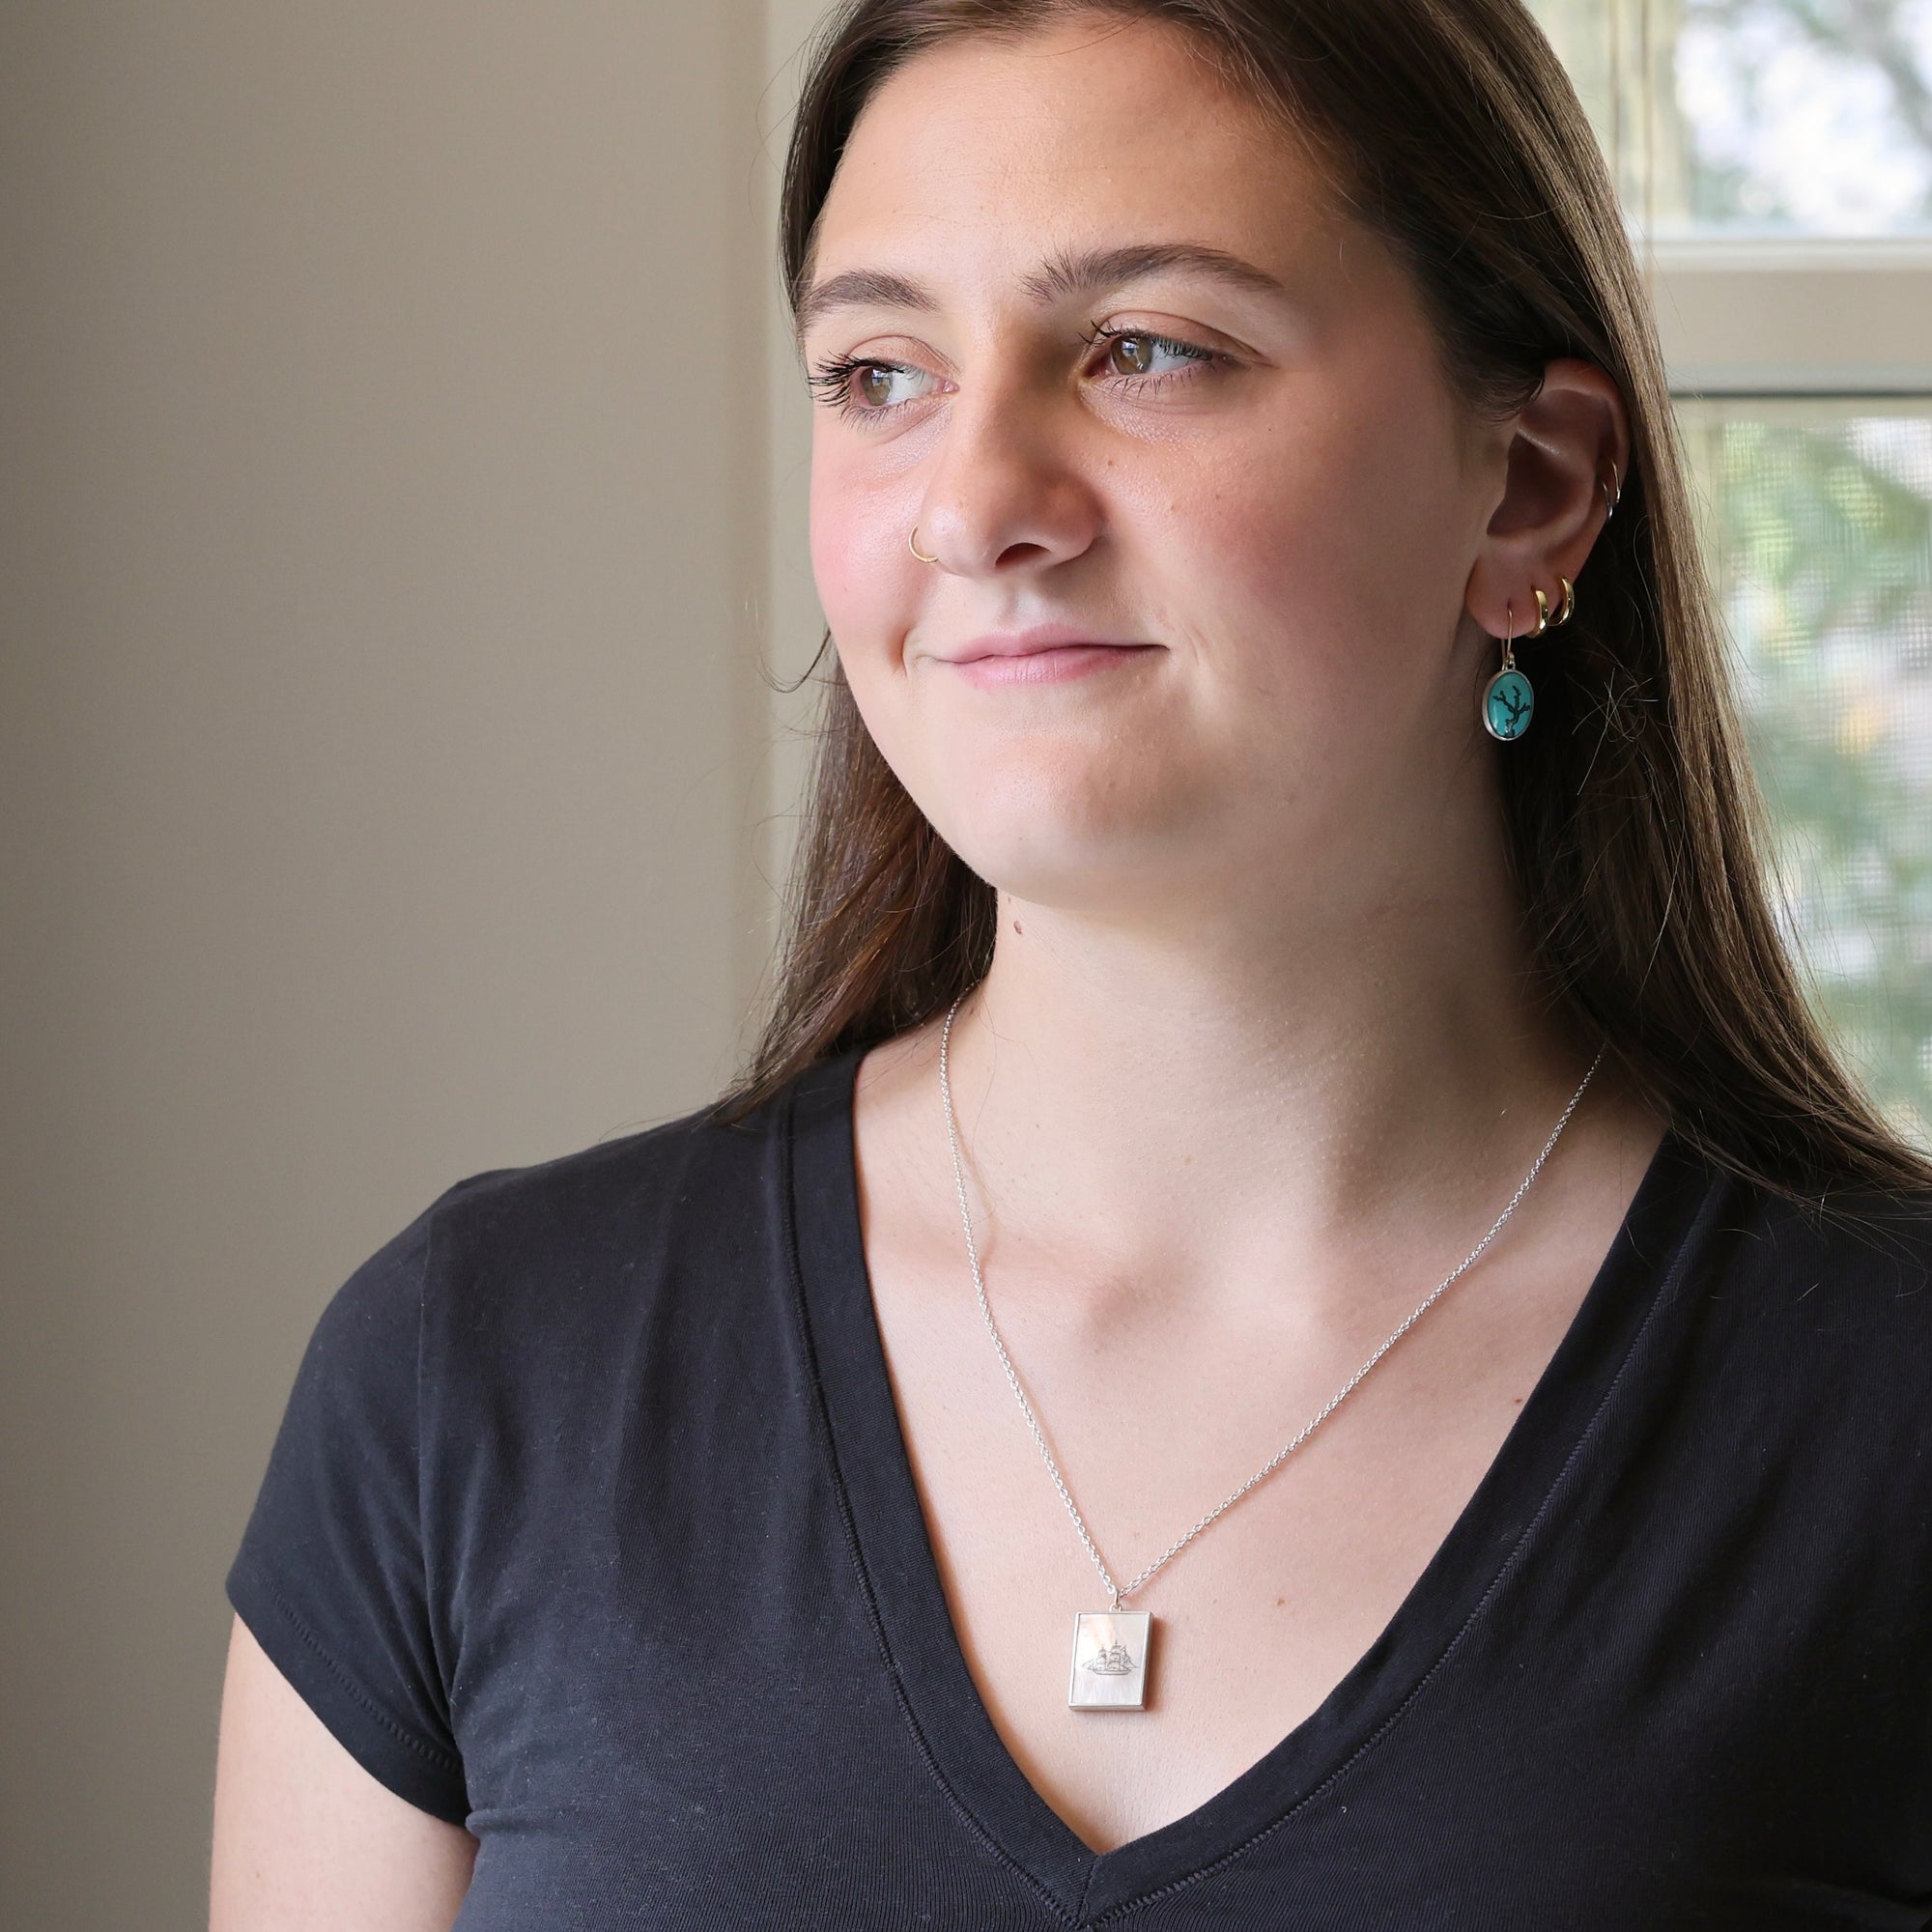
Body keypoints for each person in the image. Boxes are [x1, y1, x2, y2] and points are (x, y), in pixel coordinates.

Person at [209, 2, 1932, 1926]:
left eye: (1145, 349)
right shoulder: (472, 1381)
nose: (969, 500)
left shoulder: (1882, 1404)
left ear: (1527, 483)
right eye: (877, 372)